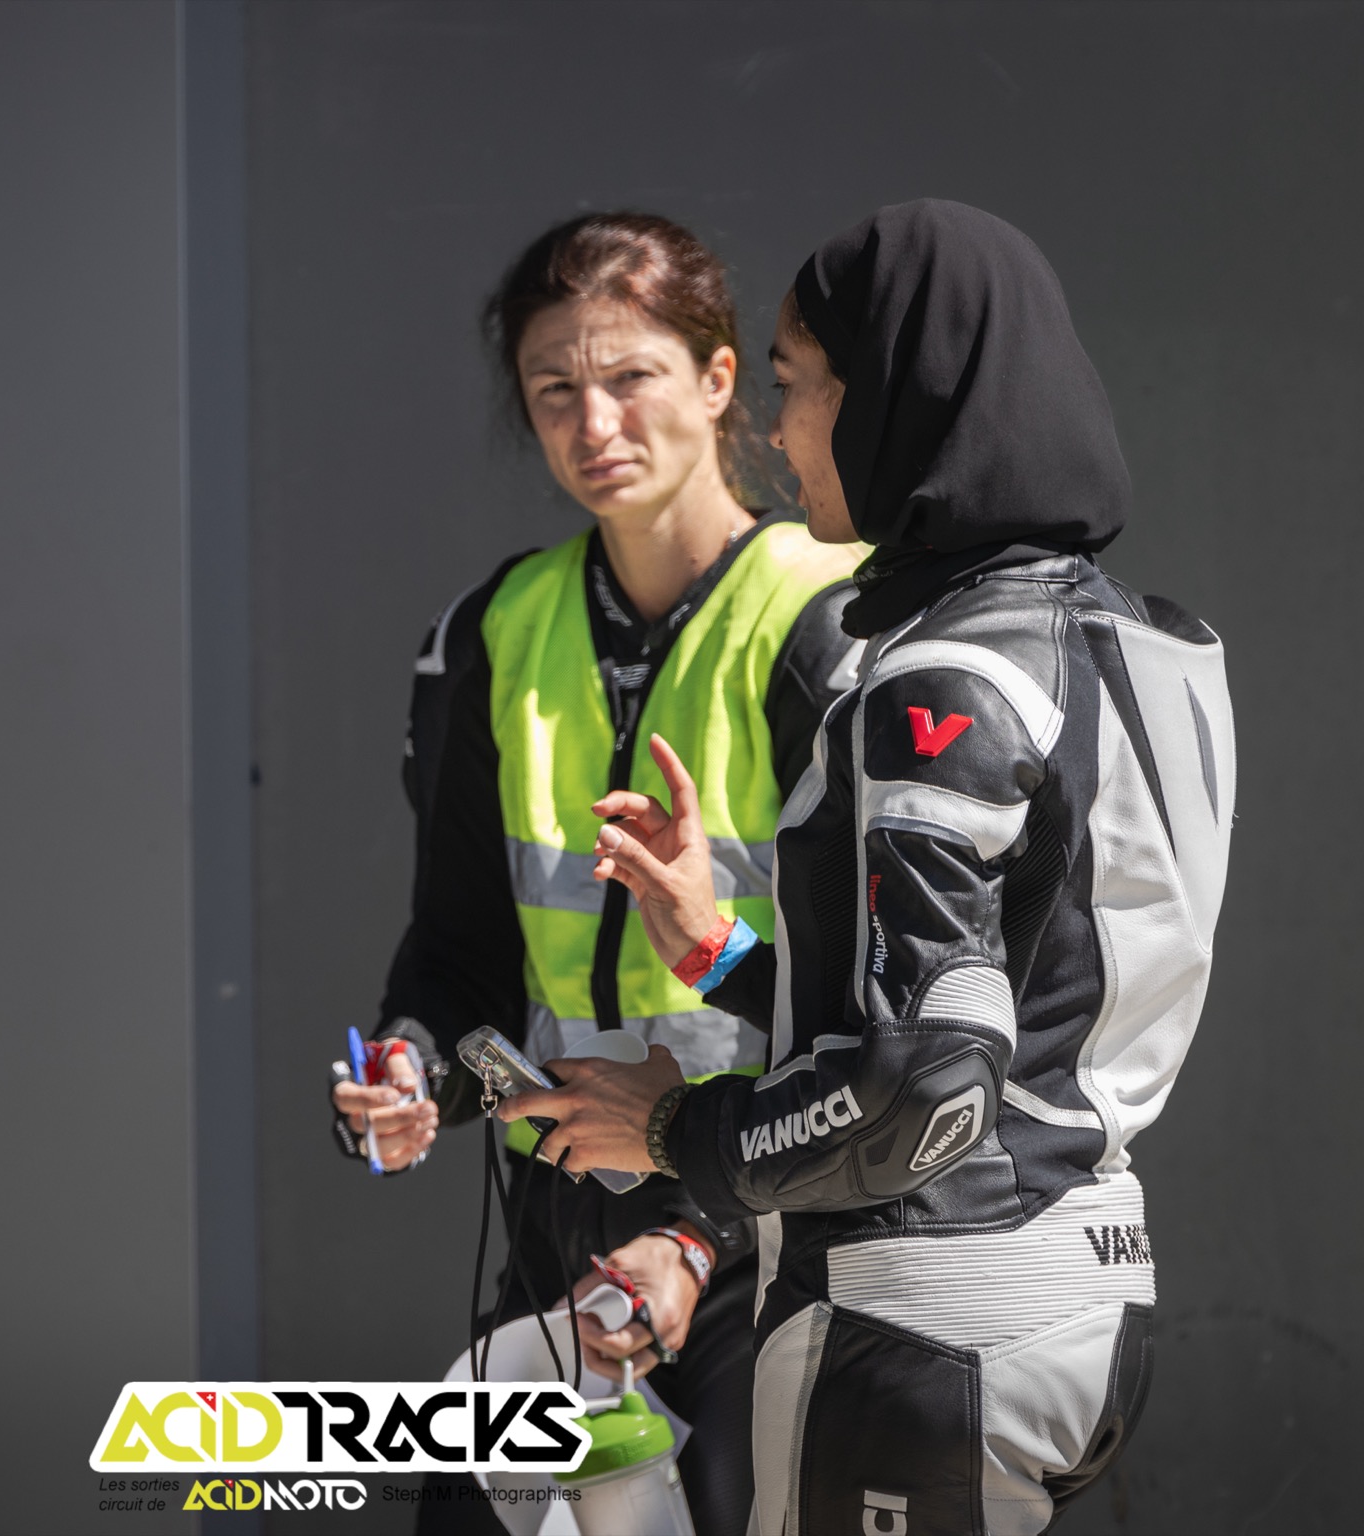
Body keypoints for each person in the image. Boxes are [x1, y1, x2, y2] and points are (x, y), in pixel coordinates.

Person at [502, 199, 1234, 1536]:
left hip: (922, 1323)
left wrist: (673, 1133)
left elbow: (923, 1090)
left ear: (895, 388)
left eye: (793, 384)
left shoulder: (940, 676)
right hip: (1088, 1299)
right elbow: (1017, 1006)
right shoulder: (1161, 650)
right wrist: (722, 952)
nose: (780, 433)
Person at [328, 212, 862, 1536]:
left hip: (771, 1229)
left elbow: (876, 1008)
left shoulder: (831, 617)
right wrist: (412, 1074)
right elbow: (456, 956)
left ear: (721, 379)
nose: (593, 422)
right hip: (558, 1228)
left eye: (631, 376)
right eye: (553, 389)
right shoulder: (495, 632)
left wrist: (697, 1234)